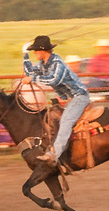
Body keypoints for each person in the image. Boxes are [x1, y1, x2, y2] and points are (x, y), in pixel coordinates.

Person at [22, 35, 90, 165]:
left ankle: (54, 155)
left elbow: (53, 80)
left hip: (79, 97)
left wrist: (33, 79)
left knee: (65, 121)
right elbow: (29, 72)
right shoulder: (43, 64)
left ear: (43, 51)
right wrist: (25, 54)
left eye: (35, 50)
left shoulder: (58, 64)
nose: (34, 53)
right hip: (70, 99)